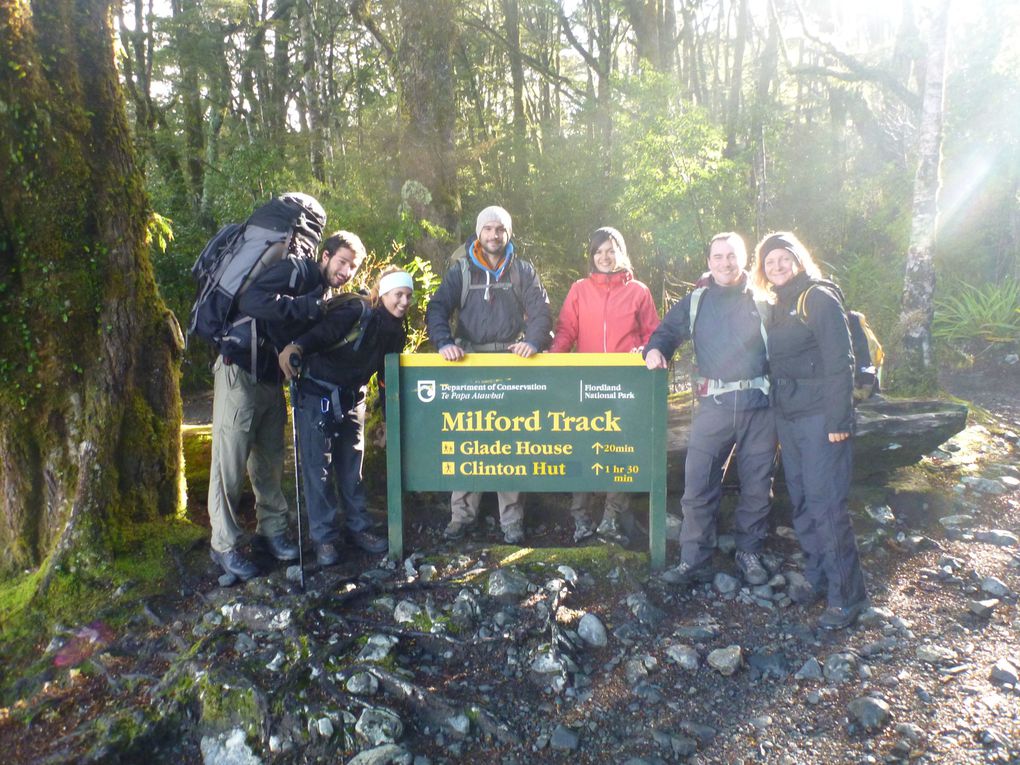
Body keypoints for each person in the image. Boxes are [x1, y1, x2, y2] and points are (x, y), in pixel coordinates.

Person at [206, 226, 361, 581]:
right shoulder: (298, 270)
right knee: (228, 463)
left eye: (352, 267)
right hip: (239, 370)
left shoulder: (318, 286)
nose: (346, 271)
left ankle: (271, 533)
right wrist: (305, 306)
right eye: (342, 262)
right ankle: (224, 546)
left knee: (270, 461)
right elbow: (251, 301)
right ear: (325, 256)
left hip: (269, 379)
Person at [644, 232, 776, 588]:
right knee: (698, 484)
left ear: (744, 259)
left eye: (731, 256)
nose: (725, 263)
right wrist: (655, 351)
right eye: (718, 256)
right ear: (708, 261)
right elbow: (665, 333)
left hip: (760, 406)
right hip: (713, 405)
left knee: (757, 485)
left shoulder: (765, 301)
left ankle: (749, 552)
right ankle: (693, 559)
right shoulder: (696, 302)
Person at [751, 231, 868, 630]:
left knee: (826, 504)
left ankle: (847, 596)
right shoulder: (781, 305)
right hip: (791, 418)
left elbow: (841, 360)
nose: (777, 266)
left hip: (822, 420)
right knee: (801, 500)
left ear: (799, 259)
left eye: (783, 259)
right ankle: (818, 578)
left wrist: (839, 420)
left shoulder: (817, 297)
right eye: (769, 262)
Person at [425, 205, 552, 545]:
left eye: (501, 229)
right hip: (470, 362)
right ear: (478, 233)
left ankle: (511, 520)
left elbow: (541, 311)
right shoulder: (462, 270)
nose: (494, 235)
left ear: (509, 234)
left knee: (511, 441)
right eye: (489, 229)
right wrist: (443, 342)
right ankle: (461, 517)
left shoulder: (522, 270)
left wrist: (534, 342)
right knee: (469, 439)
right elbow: (437, 307)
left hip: (511, 361)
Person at [277, 267, 412, 566]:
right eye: (397, 295)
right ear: (383, 293)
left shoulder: (395, 333)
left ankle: (359, 529)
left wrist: (389, 419)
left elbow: (387, 379)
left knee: (352, 465)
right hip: (317, 395)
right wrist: (295, 348)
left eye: (408, 296)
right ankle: (324, 538)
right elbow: (319, 335)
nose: (403, 302)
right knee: (318, 468)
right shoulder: (357, 311)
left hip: (353, 399)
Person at [549, 226, 660, 545]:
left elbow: (653, 333)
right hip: (586, 382)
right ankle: (581, 518)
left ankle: (612, 517)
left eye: (611, 250)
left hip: (626, 383)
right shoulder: (579, 289)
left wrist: (646, 350)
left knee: (620, 448)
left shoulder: (639, 291)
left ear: (622, 252)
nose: (605, 257)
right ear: (591, 256)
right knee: (582, 445)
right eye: (599, 251)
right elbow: (567, 330)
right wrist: (553, 362)